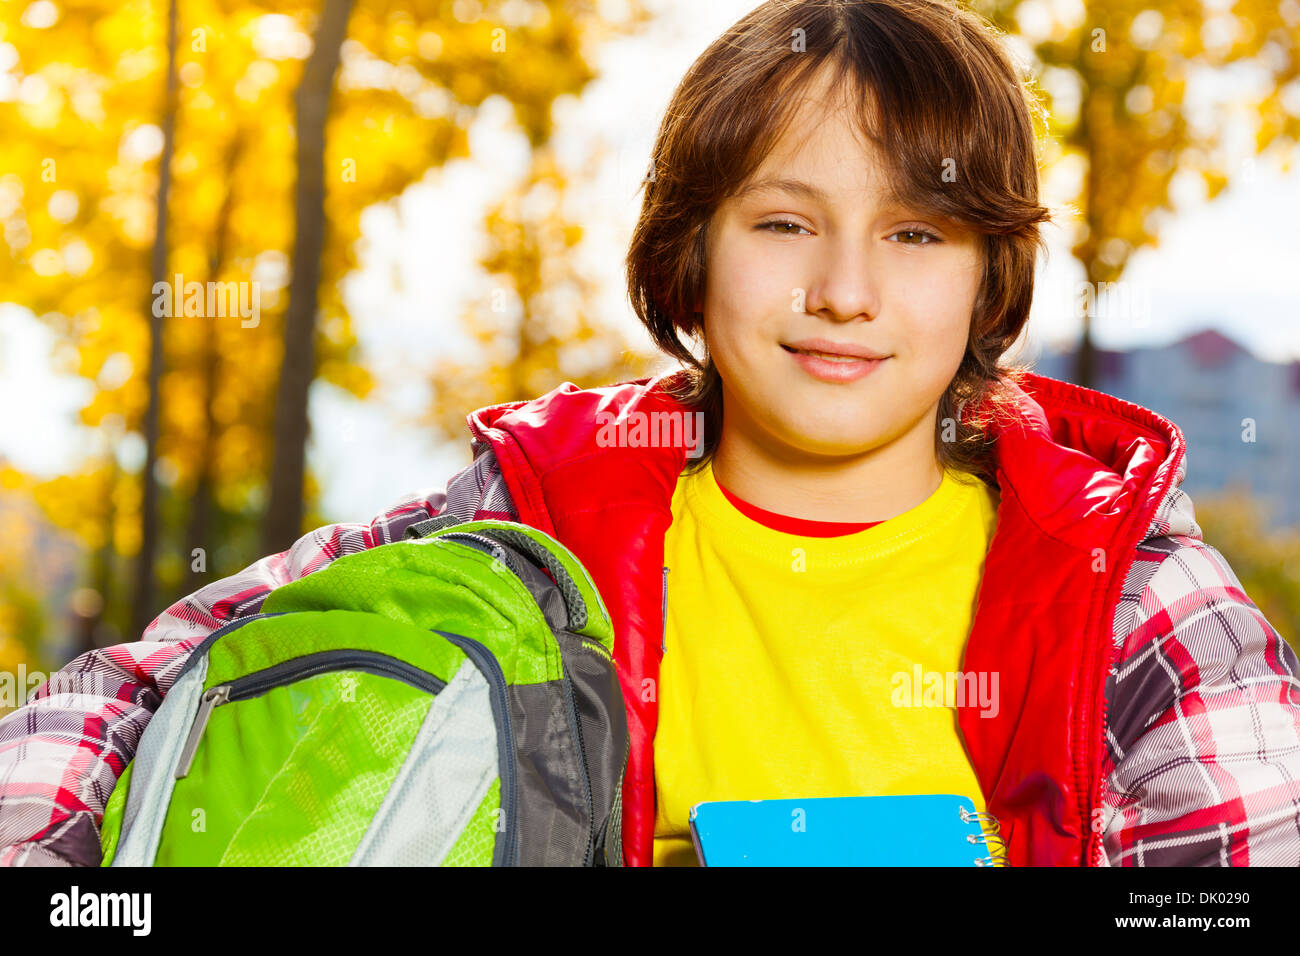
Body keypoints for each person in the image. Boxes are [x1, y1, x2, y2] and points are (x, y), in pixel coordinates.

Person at [3, 0, 1298, 868]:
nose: (845, 287)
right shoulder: (536, 517)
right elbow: (138, 685)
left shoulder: (1118, 580)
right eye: (784, 223)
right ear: (690, 257)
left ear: (988, 283)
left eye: (917, 233)